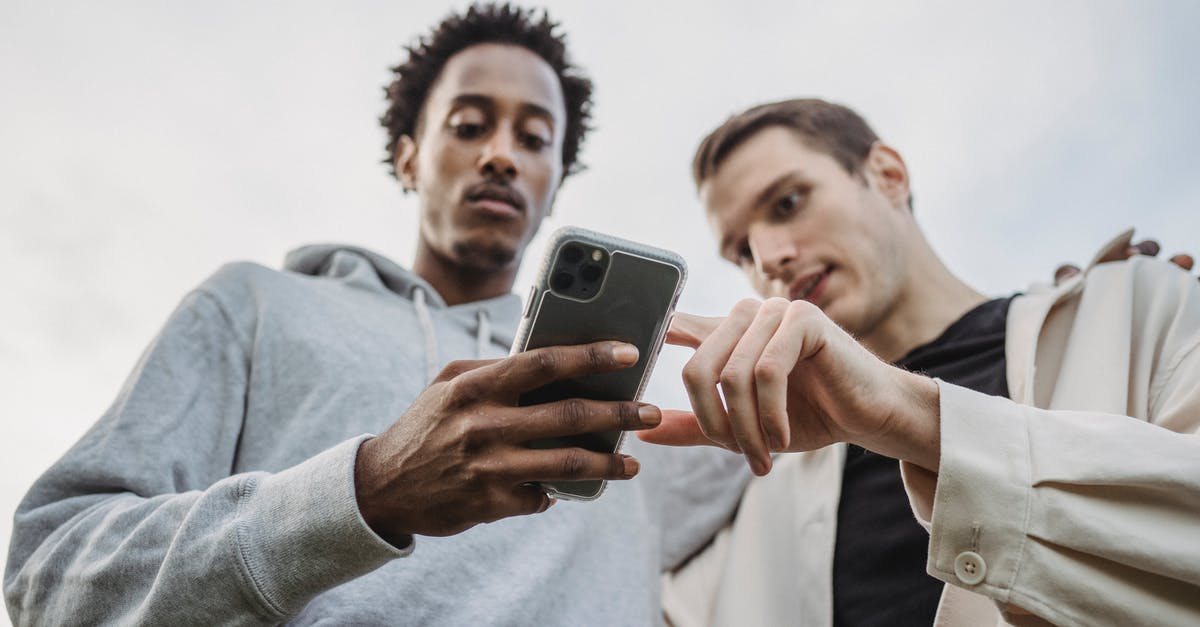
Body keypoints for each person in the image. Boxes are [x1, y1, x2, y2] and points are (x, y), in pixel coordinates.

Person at [4, 5, 746, 625]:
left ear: (553, 187)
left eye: (533, 139)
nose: (500, 155)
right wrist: (363, 492)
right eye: (467, 124)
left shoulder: (637, 413)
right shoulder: (257, 305)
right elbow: (48, 575)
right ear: (409, 157)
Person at [641, 99, 1200, 625]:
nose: (769, 260)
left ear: (887, 174)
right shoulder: (763, 497)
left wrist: (912, 420)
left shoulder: (1137, 308)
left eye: (788, 202)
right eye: (741, 251)